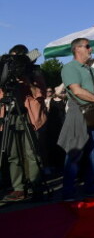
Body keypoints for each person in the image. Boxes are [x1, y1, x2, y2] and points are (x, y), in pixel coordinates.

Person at [59, 38, 94, 200]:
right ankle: (68, 191)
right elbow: (77, 90)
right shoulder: (69, 67)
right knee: (75, 153)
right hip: (79, 112)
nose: (91, 49)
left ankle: (91, 188)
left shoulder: (93, 71)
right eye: (87, 46)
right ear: (77, 49)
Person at [0, 44, 48, 201]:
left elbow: (41, 94)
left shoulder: (34, 71)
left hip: (29, 115)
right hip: (11, 114)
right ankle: (18, 188)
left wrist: (28, 81)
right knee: (12, 153)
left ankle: (36, 186)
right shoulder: (5, 71)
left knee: (31, 152)